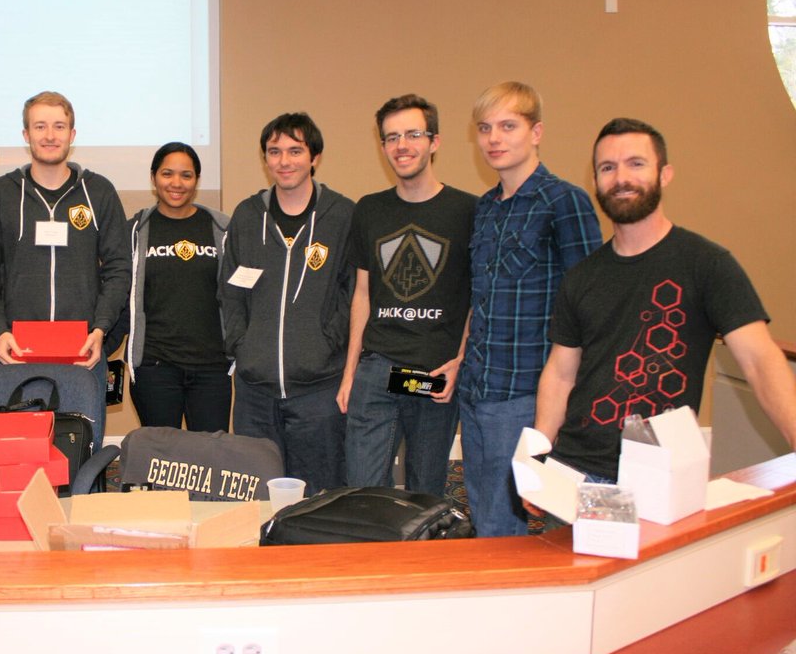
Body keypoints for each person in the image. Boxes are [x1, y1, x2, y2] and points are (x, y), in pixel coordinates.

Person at [533, 118, 796, 485]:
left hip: (658, 476)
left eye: (636, 163)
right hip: (573, 470)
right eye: (608, 167)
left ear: (665, 174)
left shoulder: (707, 265)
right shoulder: (581, 277)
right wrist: (539, 456)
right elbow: (561, 375)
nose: (621, 178)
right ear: (595, 181)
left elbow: (759, 361)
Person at [456, 81, 602, 537]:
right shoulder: (486, 207)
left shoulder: (565, 202)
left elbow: (591, 305)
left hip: (526, 394)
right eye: (485, 128)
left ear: (536, 132)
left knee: (505, 526)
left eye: (508, 126)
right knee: (483, 515)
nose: (493, 139)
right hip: (477, 389)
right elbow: (480, 300)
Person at [0, 91, 131, 446]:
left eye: (59, 126)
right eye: (40, 126)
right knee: (22, 453)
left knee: (80, 448)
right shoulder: (1, 194)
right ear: (25, 134)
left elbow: (119, 267)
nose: (49, 135)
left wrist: (101, 329)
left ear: (72, 135)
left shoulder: (99, 191)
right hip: (19, 349)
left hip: (84, 350)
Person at [337, 95, 476, 495]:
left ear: (434, 141)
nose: (402, 145)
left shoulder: (468, 211)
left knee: (424, 493)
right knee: (363, 492)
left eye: (413, 134)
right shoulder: (369, 209)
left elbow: (477, 297)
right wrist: (350, 373)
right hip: (377, 369)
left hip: (432, 374)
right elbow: (362, 294)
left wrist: (460, 360)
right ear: (382, 146)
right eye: (392, 137)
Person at [220, 112, 355, 494]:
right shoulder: (248, 215)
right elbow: (230, 290)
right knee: (257, 494)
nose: (284, 161)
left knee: (319, 494)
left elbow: (353, 292)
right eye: (274, 151)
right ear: (265, 158)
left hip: (318, 390)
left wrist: (328, 342)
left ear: (314, 157)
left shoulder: (342, 215)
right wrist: (242, 345)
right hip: (254, 393)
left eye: (295, 151)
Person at [112, 142, 232, 431]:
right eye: (167, 173)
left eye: (186, 175)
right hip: (155, 367)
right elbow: (119, 295)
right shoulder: (134, 231)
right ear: (153, 178)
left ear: (196, 180)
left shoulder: (222, 229)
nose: (176, 183)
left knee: (209, 453)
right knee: (162, 453)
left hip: (211, 368)